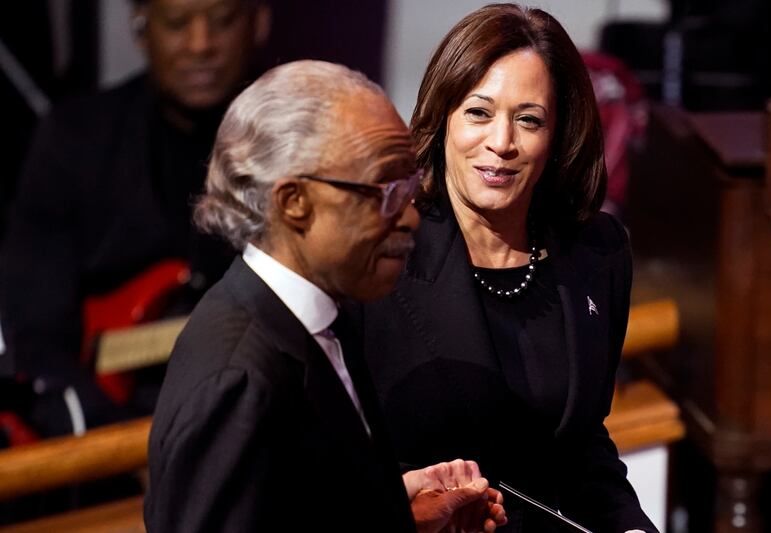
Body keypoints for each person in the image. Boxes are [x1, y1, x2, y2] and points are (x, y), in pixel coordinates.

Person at [145, 60, 507, 533]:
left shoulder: (320, 317)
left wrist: (395, 507)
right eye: (384, 191)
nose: (411, 217)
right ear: (294, 201)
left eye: (410, 189)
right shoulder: (238, 381)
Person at [358, 4, 657, 532]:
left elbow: (583, 444)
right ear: (443, 116)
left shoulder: (598, 252)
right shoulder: (381, 254)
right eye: (479, 112)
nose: (501, 143)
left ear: (558, 135)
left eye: (528, 119)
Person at [0, 0, 271, 437]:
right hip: (103, 437)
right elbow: (36, 336)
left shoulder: (296, 145)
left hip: (253, 423)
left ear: (259, 21)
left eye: (223, 21)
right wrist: (122, 442)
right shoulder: (74, 138)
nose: (201, 45)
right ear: (141, 28)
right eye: (178, 23)